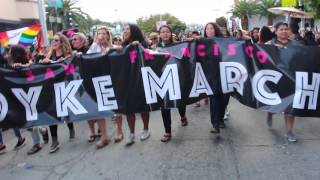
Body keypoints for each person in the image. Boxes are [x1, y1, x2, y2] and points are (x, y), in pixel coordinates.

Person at [87, 26, 124, 147]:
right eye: (99, 33)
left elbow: (120, 49)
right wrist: (94, 44)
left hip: (113, 79)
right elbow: (86, 58)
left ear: (108, 36)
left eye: (104, 33)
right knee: (100, 108)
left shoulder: (112, 48)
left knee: (116, 106)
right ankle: (104, 136)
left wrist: (113, 49)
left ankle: (119, 131)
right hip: (99, 80)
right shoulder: (93, 48)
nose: (101, 35)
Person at [39, 33, 76, 153]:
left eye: (56, 40)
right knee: (51, 112)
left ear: (61, 42)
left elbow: (72, 67)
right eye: (52, 40)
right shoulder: (49, 54)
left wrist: (64, 61)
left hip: (64, 86)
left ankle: (70, 126)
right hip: (51, 87)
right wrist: (44, 61)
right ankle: (54, 140)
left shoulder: (67, 54)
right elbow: (36, 65)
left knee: (65, 110)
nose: (53, 43)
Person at [266, 22, 302, 142]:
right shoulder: (269, 44)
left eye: (286, 29)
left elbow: (304, 57)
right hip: (275, 79)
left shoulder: (296, 44)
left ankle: (289, 131)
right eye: (281, 29)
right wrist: (275, 50)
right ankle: (271, 112)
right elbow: (260, 56)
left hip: (291, 79)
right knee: (275, 103)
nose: (284, 31)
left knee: (290, 106)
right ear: (275, 31)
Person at [154, 25, 188, 142]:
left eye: (167, 32)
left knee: (180, 102)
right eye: (162, 32)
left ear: (171, 33)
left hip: (177, 78)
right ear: (159, 34)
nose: (165, 34)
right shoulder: (155, 48)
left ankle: (183, 116)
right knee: (164, 105)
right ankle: (167, 131)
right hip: (163, 80)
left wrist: (191, 42)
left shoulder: (179, 46)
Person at [121, 24, 150, 145]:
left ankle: (145, 129)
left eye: (127, 29)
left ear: (134, 31)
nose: (125, 31)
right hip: (127, 81)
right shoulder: (123, 46)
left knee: (142, 106)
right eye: (124, 29)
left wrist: (140, 46)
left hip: (141, 80)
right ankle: (131, 133)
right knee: (128, 108)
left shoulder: (143, 44)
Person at [202, 22, 228, 134]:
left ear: (215, 30)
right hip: (210, 75)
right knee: (214, 100)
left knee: (224, 99)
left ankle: (221, 118)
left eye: (211, 28)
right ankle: (215, 124)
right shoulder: (201, 43)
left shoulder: (224, 42)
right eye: (207, 29)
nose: (209, 30)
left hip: (224, 74)